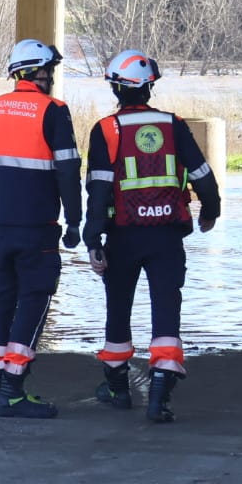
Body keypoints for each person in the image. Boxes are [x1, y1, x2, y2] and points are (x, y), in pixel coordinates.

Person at [82, 50, 221, 423]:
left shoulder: (106, 130)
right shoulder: (173, 125)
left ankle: (117, 388)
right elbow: (202, 173)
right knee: (166, 309)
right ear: (150, 87)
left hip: (123, 236)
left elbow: (98, 190)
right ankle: (160, 394)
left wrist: (92, 238)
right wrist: (211, 209)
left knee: (118, 309)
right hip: (166, 238)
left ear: (116, 87)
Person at [0, 39, 82, 418]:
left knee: (2, 300)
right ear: (38, 72)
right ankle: (12, 388)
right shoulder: (54, 111)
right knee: (34, 302)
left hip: (1, 230)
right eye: (50, 71)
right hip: (39, 231)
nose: (51, 78)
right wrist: (75, 221)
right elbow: (67, 173)